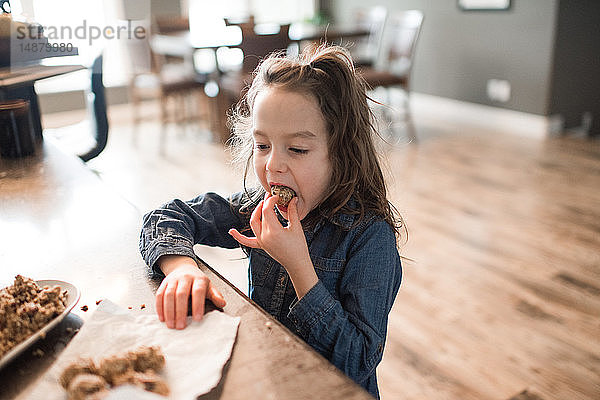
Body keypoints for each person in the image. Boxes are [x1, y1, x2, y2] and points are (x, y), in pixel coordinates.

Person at [139, 44, 405, 399]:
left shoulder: (370, 238)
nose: (273, 165)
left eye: (296, 149)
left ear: (341, 153)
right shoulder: (259, 207)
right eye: (262, 145)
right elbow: (165, 218)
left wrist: (298, 266)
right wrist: (182, 268)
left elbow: (357, 362)